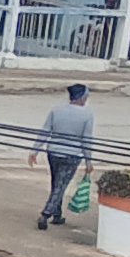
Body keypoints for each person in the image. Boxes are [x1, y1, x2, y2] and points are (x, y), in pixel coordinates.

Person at [40, 81, 96, 229]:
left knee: (56, 183)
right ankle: (46, 213)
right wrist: (88, 161)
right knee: (60, 185)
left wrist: (35, 149)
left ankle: (57, 215)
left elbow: (45, 130)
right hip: (72, 155)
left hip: (53, 151)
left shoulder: (56, 109)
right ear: (82, 97)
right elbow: (86, 139)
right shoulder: (87, 114)